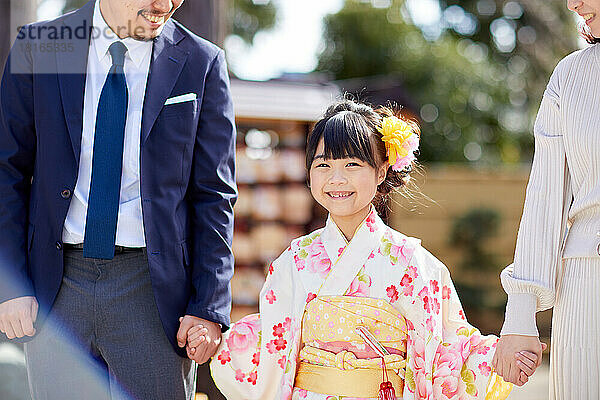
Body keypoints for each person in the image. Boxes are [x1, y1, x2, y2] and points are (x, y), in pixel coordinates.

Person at [204, 100, 536, 400]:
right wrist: (213, 335)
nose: (336, 178)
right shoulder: (295, 260)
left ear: (380, 172)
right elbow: (272, 343)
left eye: (352, 165)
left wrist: (499, 355)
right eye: (323, 165)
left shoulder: (414, 264)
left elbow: (447, 349)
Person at [0, 0, 237, 399]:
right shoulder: (39, 45)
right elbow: (7, 171)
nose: (165, 5)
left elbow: (214, 196)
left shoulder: (203, 62)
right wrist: (10, 284)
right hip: (57, 288)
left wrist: (208, 306)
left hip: (156, 295)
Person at [493, 0, 600, 397]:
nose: (574, 4)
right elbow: (545, 195)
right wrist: (521, 314)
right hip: (587, 285)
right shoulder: (570, 76)